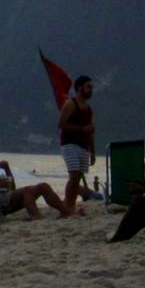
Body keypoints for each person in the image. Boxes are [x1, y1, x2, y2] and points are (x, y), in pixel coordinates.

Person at [0, 140, 77, 219]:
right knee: (27, 191)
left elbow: (12, 189)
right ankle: (37, 218)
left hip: (4, 197)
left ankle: (66, 212)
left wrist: (7, 170)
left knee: (43, 186)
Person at [57, 75, 96, 213]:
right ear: (80, 88)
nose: (91, 90)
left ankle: (70, 205)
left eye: (92, 87)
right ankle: (67, 207)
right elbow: (61, 124)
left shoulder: (88, 108)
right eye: (88, 87)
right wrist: (81, 129)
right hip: (69, 144)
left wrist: (93, 151)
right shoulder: (71, 104)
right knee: (74, 174)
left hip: (83, 146)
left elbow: (90, 130)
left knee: (77, 177)